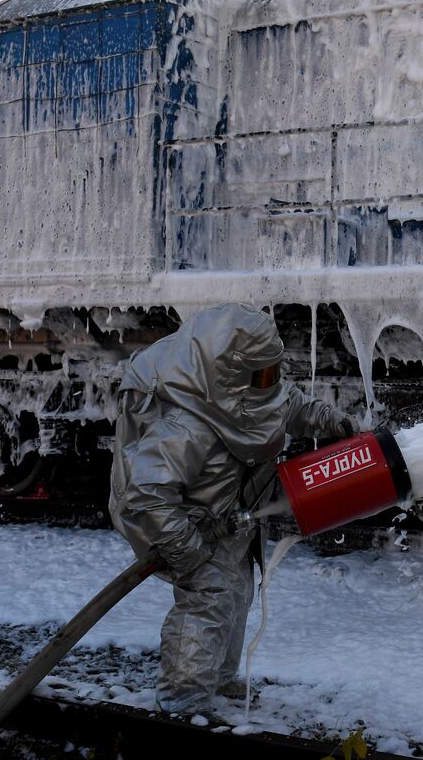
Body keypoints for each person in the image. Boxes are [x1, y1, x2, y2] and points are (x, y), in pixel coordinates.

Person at [108, 302, 358, 716]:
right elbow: (149, 493)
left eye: (273, 371)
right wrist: (187, 552)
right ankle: (183, 700)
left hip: (231, 517)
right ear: (228, 371)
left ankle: (219, 679)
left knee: (237, 596)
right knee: (208, 601)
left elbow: (289, 405)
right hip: (192, 527)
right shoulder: (187, 426)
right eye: (262, 374)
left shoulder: (253, 393)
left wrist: (334, 422)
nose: (270, 382)